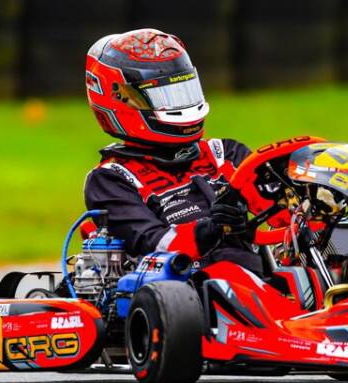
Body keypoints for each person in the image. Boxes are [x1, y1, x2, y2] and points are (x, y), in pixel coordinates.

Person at [81, 28, 263, 274]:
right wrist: (214, 228)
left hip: (261, 281)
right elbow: (154, 243)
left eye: (184, 91)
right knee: (226, 276)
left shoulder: (224, 154)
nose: (181, 105)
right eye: (165, 96)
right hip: (187, 290)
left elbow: (281, 209)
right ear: (122, 100)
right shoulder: (111, 179)